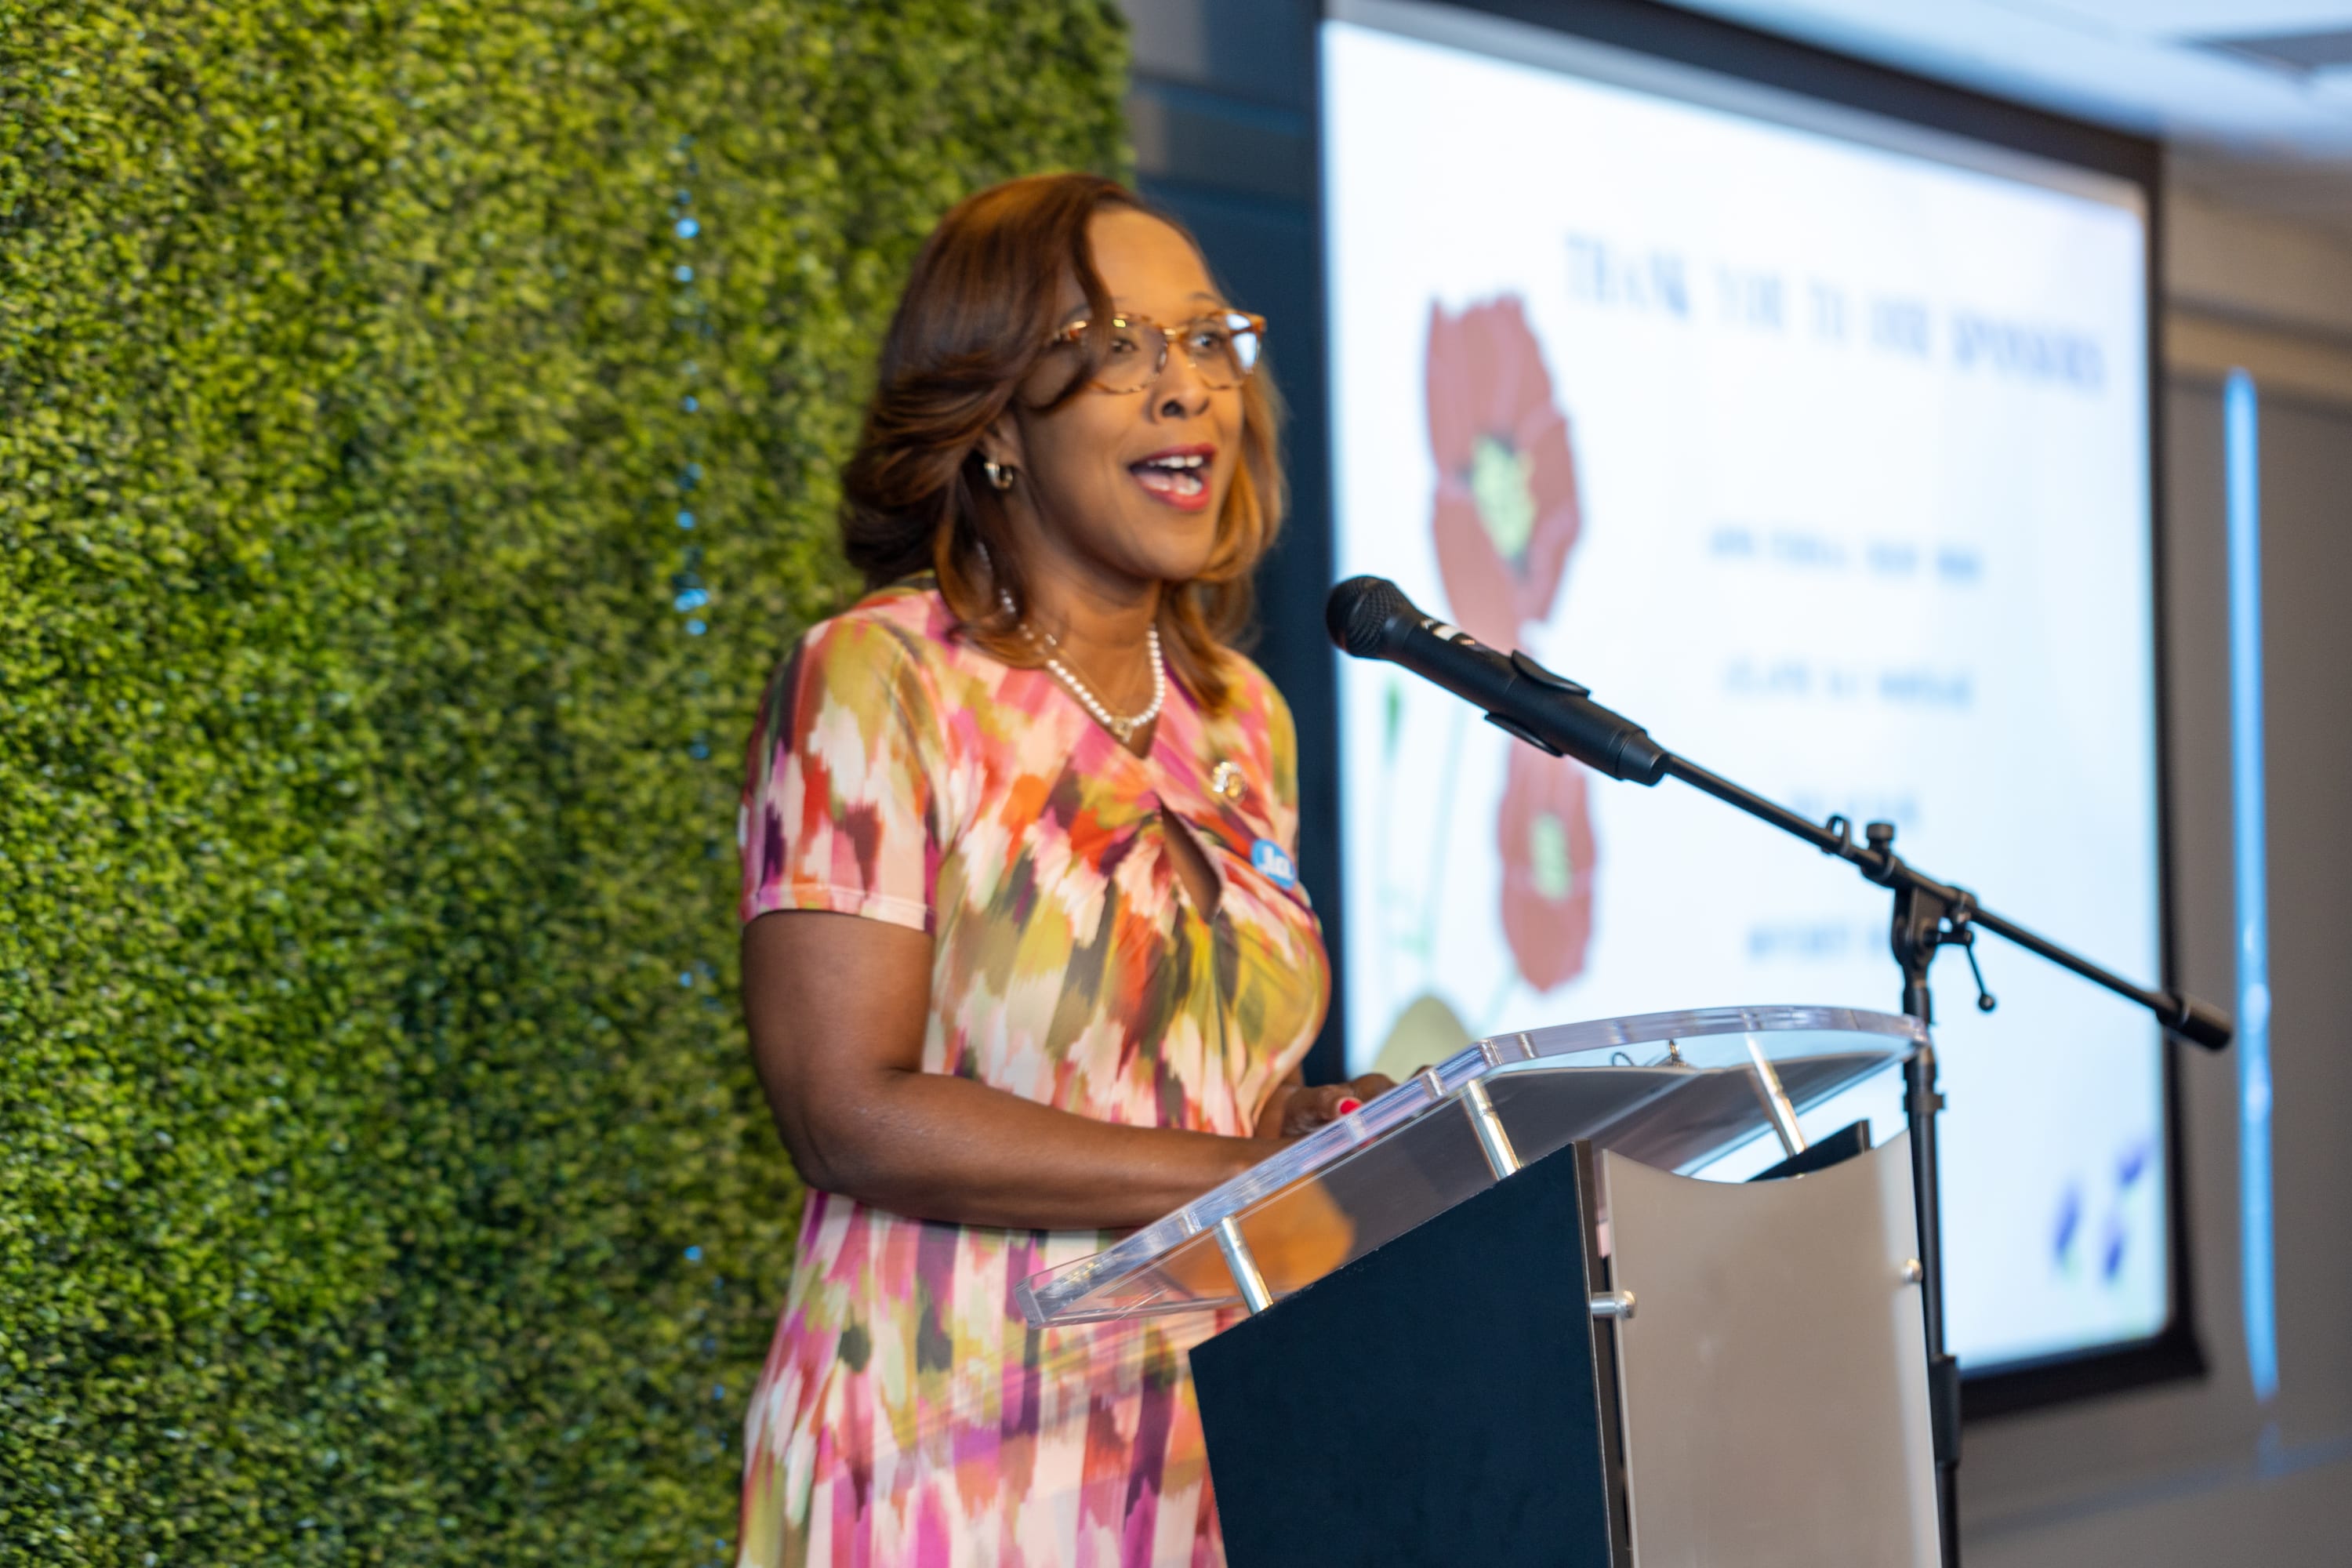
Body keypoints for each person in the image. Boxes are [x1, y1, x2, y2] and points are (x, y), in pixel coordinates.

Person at [732, 172, 1389, 1567]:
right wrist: (1244, 1171)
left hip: (1220, 1447)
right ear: (995, 424)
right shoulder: (883, 676)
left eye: (1207, 339)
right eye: (1118, 345)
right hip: (946, 1456)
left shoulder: (1239, 717)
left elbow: (1199, 1088)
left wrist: (1318, 1124)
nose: (1185, 386)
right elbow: (846, 1113)